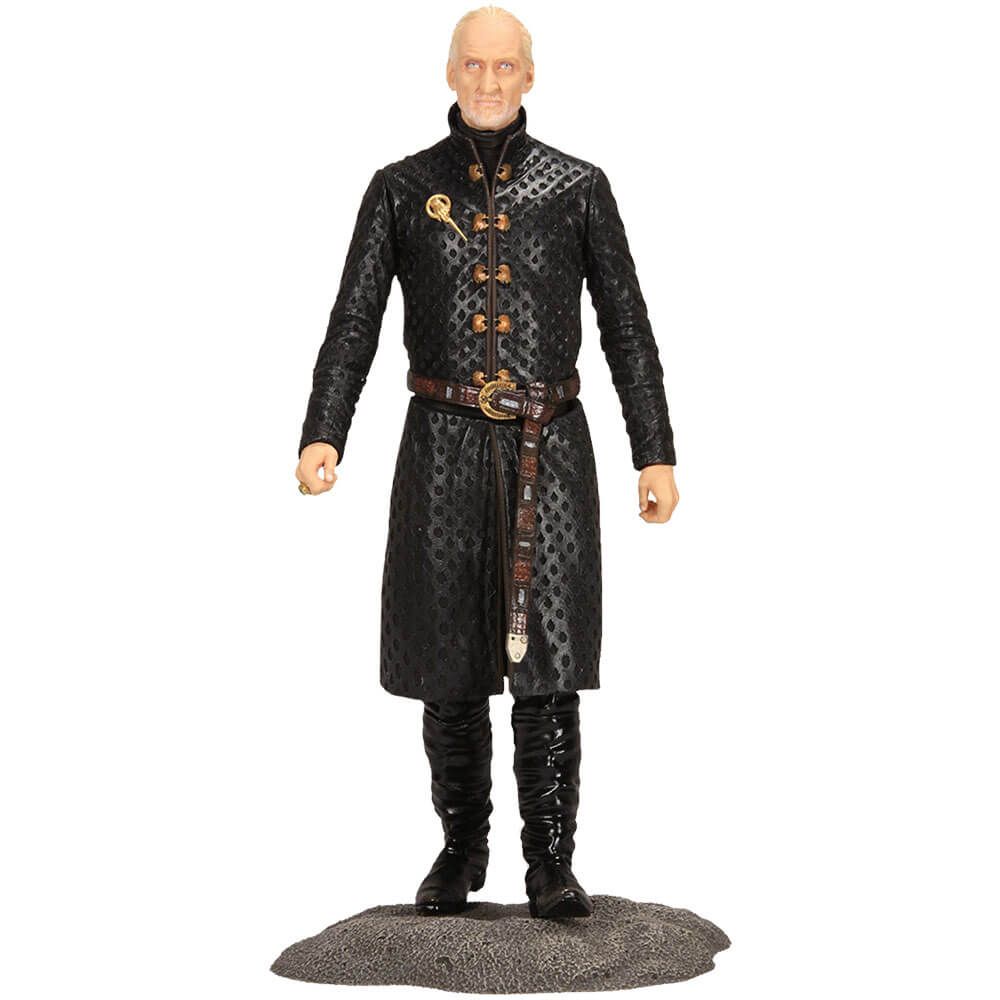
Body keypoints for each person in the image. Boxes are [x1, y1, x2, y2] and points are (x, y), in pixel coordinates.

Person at [295, 5, 679, 919]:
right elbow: (354, 320)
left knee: (549, 663)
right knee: (449, 665)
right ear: (450, 72)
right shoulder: (400, 188)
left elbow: (627, 326)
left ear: (530, 76)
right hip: (441, 447)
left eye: (505, 66)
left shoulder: (579, 187)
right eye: (474, 64)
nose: (489, 81)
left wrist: (654, 452)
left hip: (552, 451)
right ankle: (461, 850)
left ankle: (551, 864)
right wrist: (323, 431)